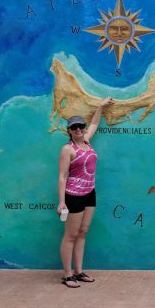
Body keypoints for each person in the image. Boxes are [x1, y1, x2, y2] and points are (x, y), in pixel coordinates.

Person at [57, 97, 114, 288]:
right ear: (70, 131)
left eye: (81, 126)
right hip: (74, 196)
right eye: (75, 128)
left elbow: (95, 122)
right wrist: (62, 202)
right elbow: (62, 177)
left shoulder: (87, 142)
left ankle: (78, 271)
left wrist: (100, 107)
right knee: (71, 236)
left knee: (83, 232)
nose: (79, 130)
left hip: (90, 193)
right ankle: (67, 275)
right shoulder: (68, 150)